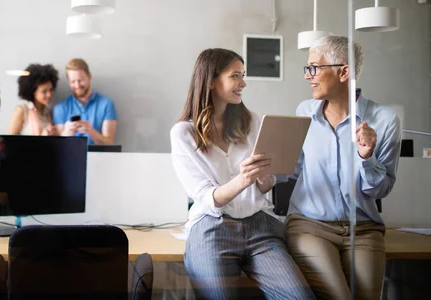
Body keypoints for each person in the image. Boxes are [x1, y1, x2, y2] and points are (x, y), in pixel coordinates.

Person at [170, 48, 314, 300]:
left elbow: (265, 186)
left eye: (243, 75)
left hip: (259, 225)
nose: (243, 83)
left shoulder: (252, 122)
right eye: (235, 76)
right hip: (211, 227)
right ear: (212, 81)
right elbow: (206, 198)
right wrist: (242, 179)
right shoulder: (183, 134)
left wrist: (261, 177)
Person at [285, 36, 401, 300]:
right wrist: (266, 163)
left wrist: (367, 156)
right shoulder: (304, 112)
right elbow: (292, 169)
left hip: (363, 229)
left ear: (343, 72)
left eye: (314, 67)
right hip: (310, 225)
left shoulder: (384, 120)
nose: (307, 76)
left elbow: (380, 190)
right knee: (338, 296)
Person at [53, 58, 117, 145]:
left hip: (99, 157)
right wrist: (66, 135)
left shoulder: (106, 104)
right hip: (70, 157)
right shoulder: (60, 108)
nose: (77, 85)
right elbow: (57, 147)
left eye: (80, 80)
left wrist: (91, 132)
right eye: (73, 81)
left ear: (89, 76)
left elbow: (109, 144)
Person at [6, 64, 59, 136]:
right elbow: (9, 142)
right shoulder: (22, 111)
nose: (49, 95)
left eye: (51, 90)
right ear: (33, 91)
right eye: (44, 91)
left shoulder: (48, 114)